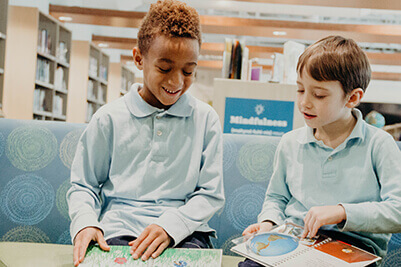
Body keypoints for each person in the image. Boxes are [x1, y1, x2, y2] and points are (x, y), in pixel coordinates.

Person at [67, 1, 225, 266]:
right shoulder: (108, 118)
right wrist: (85, 223)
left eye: (188, 71)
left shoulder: (206, 120)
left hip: (184, 232)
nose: (177, 82)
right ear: (139, 59)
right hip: (119, 230)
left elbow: (210, 193)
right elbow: (84, 185)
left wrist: (171, 226)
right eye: (165, 68)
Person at [239, 35, 401, 266]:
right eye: (300, 90)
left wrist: (342, 212)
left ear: (352, 98)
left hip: (352, 249)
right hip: (294, 240)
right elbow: (276, 197)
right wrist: (268, 223)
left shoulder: (379, 144)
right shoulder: (290, 143)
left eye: (319, 95)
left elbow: (398, 209)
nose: (305, 102)